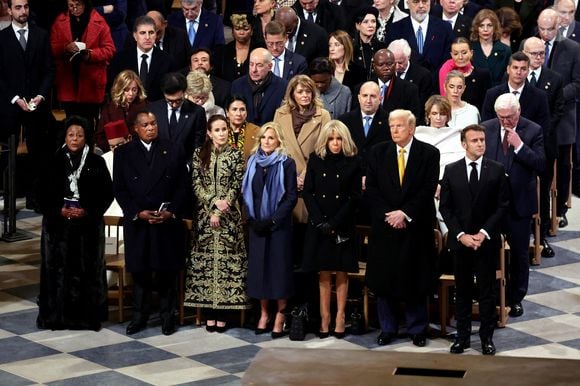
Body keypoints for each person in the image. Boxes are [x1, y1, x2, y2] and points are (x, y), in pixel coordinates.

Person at [365, 109, 439, 347]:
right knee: (385, 279)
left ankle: (417, 328)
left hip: (414, 226)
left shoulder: (429, 154)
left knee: (415, 279)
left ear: (412, 128)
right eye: (391, 126)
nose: (394, 130)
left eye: (399, 126)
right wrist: (389, 215)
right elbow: (373, 189)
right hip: (385, 226)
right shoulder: (378, 152)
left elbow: (427, 190)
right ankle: (388, 328)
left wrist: (405, 213)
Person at [113, 110, 190, 336]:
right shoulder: (124, 154)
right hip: (139, 223)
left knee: (166, 273)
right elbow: (119, 189)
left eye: (153, 123)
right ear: (135, 129)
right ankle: (139, 316)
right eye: (145, 125)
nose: (150, 128)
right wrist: (137, 212)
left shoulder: (173, 149)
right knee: (140, 273)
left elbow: (183, 186)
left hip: (165, 222)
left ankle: (168, 317)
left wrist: (171, 211)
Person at [36, 115, 113, 331]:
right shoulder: (53, 161)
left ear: (86, 138)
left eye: (79, 135)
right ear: (65, 137)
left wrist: (87, 211)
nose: (75, 139)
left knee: (87, 271)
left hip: (87, 227)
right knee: (57, 272)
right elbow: (40, 194)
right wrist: (57, 210)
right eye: (71, 135)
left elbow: (106, 194)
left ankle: (86, 318)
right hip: (57, 228)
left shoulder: (96, 162)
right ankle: (55, 317)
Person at [439, 124, 509, 356]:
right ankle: (462, 337)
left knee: (487, 291)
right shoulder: (451, 170)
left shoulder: (497, 170)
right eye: (475, 140)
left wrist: (483, 233)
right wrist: (461, 235)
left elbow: (502, 206)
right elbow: (446, 208)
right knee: (463, 290)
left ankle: (487, 338)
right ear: (464, 144)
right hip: (461, 242)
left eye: (482, 140)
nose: (480, 144)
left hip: (486, 242)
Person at [481, 93, 545, 319]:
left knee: (519, 254)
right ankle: (488, 294)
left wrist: (519, 147)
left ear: (518, 111)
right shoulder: (485, 128)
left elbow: (540, 164)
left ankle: (516, 298)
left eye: (509, 117)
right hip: (491, 203)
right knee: (488, 252)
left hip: (519, 203)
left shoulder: (533, 130)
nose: (505, 122)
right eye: (501, 117)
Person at [185, 115, 249, 333]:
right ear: (209, 133)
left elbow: (236, 184)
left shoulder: (236, 155)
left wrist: (223, 207)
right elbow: (196, 184)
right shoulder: (198, 155)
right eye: (218, 130)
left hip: (228, 218)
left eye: (224, 129)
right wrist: (213, 204)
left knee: (225, 265)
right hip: (204, 218)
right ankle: (209, 314)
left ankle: (223, 313)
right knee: (206, 266)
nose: (222, 133)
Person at [302, 120, 362, 339]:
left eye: (338, 139)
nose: (335, 143)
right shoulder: (316, 160)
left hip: (342, 223)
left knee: (341, 272)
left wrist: (335, 222)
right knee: (324, 272)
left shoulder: (353, 161)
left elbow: (355, 197)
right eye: (331, 139)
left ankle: (340, 316)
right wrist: (319, 221)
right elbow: (308, 192)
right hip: (319, 225)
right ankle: (325, 317)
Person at [242, 121, 298, 338]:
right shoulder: (253, 162)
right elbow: (246, 192)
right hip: (257, 225)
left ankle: (280, 315)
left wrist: (273, 220)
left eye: (271, 138)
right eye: (264, 137)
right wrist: (252, 219)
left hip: (278, 227)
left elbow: (291, 196)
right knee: (259, 271)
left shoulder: (286, 163)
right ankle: (264, 313)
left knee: (278, 270)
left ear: (278, 141)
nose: (266, 141)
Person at [0, 0, 56, 210]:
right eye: (18, 7)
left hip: (36, 105)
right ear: (9, 9)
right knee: (8, 155)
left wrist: (41, 95)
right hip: (10, 106)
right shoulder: (2, 39)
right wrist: (15, 98)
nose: (23, 11)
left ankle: (36, 198)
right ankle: (9, 197)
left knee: (39, 153)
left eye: (25, 7)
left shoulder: (41, 35)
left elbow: (49, 70)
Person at [536, 8, 580, 225]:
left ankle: (560, 208)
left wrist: (554, 96)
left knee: (563, 164)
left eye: (550, 29)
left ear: (558, 26)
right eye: (541, 28)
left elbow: (577, 84)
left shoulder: (572, 48)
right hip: (534, 116)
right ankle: (536, 210)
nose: (545, 33)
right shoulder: (529, 45)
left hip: (562, 117)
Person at [523, 37, 567, 240]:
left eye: (542, 53)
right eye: (534, 53)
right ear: (524, 53)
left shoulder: (555, 79)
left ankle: (542, 231)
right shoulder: (517, 76)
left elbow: (558, 111)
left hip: (545, 142)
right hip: (518, 141)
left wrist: (537, 132)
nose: (539, 57)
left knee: (543, 187)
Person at [274, 74, 331, 225]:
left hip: (311, 176)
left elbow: (323, 147)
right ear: (292, 93)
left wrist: (305, 175)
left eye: (308, 91)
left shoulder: (323, 115)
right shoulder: (280, 113)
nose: (305, 95)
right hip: (285, 177)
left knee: (305, 228)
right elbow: (276, 145)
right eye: (300, 92)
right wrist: (290, 174)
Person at [50, 0, 115, 130]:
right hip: (68, 81)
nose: (74, 9)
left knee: (88, 124)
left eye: (77, 5)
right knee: (70, 123)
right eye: (70, 6)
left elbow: (110, 49)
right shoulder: (60, 21)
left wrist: (90, 54)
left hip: (91, 82)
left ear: (85, 4)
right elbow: (51, 47)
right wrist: (65, 48)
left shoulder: (99, 21)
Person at [109, 15, 176, 102]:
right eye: (143, 33)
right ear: (135, 36)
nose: (147, 37)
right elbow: (114, 89)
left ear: (156, 35)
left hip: (155, 111)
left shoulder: (167, 60)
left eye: (151, 33)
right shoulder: (120, 59)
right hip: (127, 109)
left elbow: (169, 90)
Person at [148, 71, 207, 162]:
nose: (174, 105)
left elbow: (198, 145)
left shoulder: (197, 112)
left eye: (178, 100)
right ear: (164, 94)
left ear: (184, 92)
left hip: (184, 167)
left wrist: (189, 165)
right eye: (170, 101)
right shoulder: (153, 109)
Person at [385, 0, 453, 74]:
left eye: (424, 1)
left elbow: (448, 59)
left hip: (437, 81)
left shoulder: (444, 27)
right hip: (406, 82)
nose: (421, 6)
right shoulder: (395, 29)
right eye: (416, 2)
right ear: (408, 4)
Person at [231, 47, 288, 126]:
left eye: (259, 65)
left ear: (270, 66)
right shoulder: (237, 85)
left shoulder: (283, 86)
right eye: (251, 64)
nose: (254, 70)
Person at [95, 70, 147, 153]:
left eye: (134, 90)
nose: (131, 94)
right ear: (120, 89)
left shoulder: (145, 106)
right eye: (127, 90)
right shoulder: (109, 108)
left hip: (139, 151)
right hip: (113, 151)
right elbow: (100, 135)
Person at [415, 95, 463, 180]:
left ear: (448, 116)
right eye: (434, 113)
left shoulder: (457, 135)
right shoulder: (417, 134)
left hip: (450, 181)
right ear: (428, 115)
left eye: (442, 114)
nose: (438, 118)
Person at [438, 37, 491, 110]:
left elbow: (487, 105)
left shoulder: (482, 75)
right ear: (451, 55)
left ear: (471, 53)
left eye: (464, 53)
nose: (460, 57)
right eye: (456, 54)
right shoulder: (446, 74)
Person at [368, 49, 420, 119]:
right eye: (381, 65)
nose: (385, 68)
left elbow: (414, 119)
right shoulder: (363, 88)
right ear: (374, 66)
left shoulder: (410, 89)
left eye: (389, 64)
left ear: (395, 65)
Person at [469, 9, 511, 87]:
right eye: (481, 26)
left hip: (498, 93)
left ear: (495, 28)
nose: (485, 29)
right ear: (476, 28)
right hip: (475, 93)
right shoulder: (469, 49)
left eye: (489, 25)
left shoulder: (505, 50)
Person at [213, 13, 257, 82]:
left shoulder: (259, 50)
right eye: (237, 29)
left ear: (251, 31)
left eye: (246, 29)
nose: (241, 33)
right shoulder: (223, 52)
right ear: (232, 32)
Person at [102, 119, 130, 217]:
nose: (116, 150)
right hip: (111, 210)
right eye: (112, 146)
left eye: (119, 145)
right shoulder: (104, 159)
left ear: (129, 139)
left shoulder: (139, 155)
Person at [352, 6, 386, 81]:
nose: (370, 25)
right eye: (366, 22)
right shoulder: (351, 48)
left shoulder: (382, 48)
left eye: (373, 21)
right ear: (357, 25)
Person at [225, 94, 260, 161]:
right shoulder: (220, 130)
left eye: (242, 109)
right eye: (234, 109)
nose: (238, 114)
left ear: (246, 112)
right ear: (227, 112)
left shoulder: (256, 131)